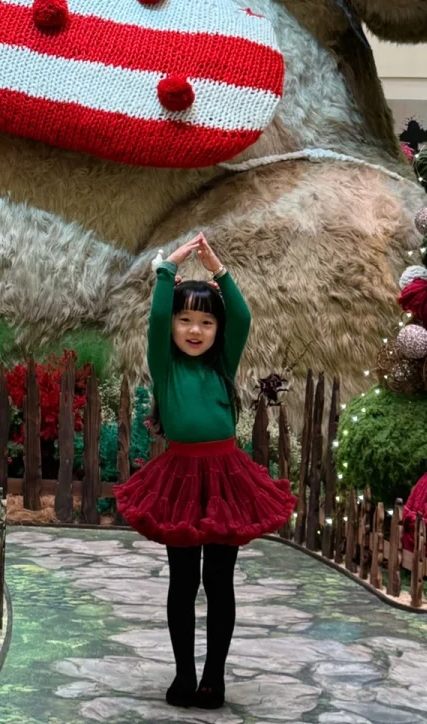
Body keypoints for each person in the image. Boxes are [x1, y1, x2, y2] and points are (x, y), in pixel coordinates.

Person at [114, 233, 296, 710]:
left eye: (206, 322)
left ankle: (214, 677)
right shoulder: (165, 366)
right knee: (182, 581)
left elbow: (243, 317)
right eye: (186, 320)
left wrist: (219, 271)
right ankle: (184, 674)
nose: (195, 330)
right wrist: (167, 271)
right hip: (178, 479)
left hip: (225, 479)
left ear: (217, 330)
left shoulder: (222, 366)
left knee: (218, 580)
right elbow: (156, 319)